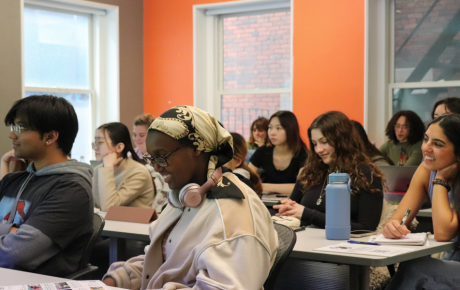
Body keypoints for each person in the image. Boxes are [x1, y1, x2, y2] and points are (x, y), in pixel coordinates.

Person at [102, 106, 278, 290]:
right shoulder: (182, 196)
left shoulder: (234, 214)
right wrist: (116, 280)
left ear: (197, 147)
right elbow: (162, 263)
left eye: (162, 156)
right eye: (152, 159)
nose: (157, 167)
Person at [0, 95, 93, 277]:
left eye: (21, 128)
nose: (12, 135)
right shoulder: (13, 180)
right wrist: (10, 230)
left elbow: (15, 254)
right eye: (13, 127)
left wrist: (9, 232)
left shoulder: (72, 190)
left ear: (50, 137)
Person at [383, 114, 460, 289]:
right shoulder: (425, 169)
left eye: (438, 144)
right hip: (452, 258)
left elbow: (443, 233)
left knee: (415, 269)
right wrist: (392, 227)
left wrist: (440, 180)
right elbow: (398, 218)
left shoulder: (435, 174)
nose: (426, 148)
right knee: (413, 267)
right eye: (426, 140)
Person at [274, 111, 384, 231]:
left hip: (344, 245)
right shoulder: (311, 171)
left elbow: (366, 228)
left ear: (342, 141)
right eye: (315, 144)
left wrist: (308, 214)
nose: (318, 150)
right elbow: (293, 206)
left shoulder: (366, 174)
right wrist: (286, 209)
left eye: (324, 142)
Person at [92, 122, 154, 211]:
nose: (95, 148)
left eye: (100, 142)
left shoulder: (139, 172)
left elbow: (109, 207)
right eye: (95, 142)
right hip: (107, 224)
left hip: (134, 224)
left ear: (119, 147)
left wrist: (108, 167)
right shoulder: (98, 170)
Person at [249, 111, 308, 195]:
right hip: (265, 203)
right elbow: (246, 178)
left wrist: (264, 186)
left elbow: (301, 187)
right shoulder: (263, 151)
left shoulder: (303, 154)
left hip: (293, 204)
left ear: (290, 130)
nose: (272, 132)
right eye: (270, 127)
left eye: (278, 128)